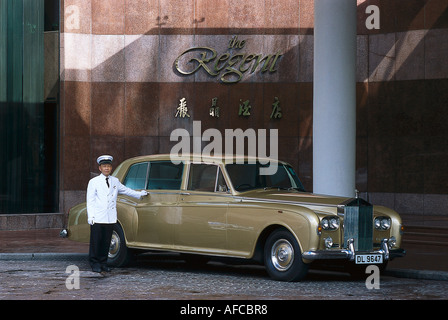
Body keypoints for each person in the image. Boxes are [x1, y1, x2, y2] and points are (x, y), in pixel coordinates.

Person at [86, 155, 148, 273]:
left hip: (110, 217)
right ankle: (95, 263)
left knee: (106, 242)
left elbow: (126, 190)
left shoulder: (115, 181)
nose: (107, 168)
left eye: (108, 166)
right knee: (96, 242)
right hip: (98, 217)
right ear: (100, 168)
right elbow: (90, 200)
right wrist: (91, 216)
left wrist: (139, 194)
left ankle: (103, 263)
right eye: (104, 166)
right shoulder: (93, 182)